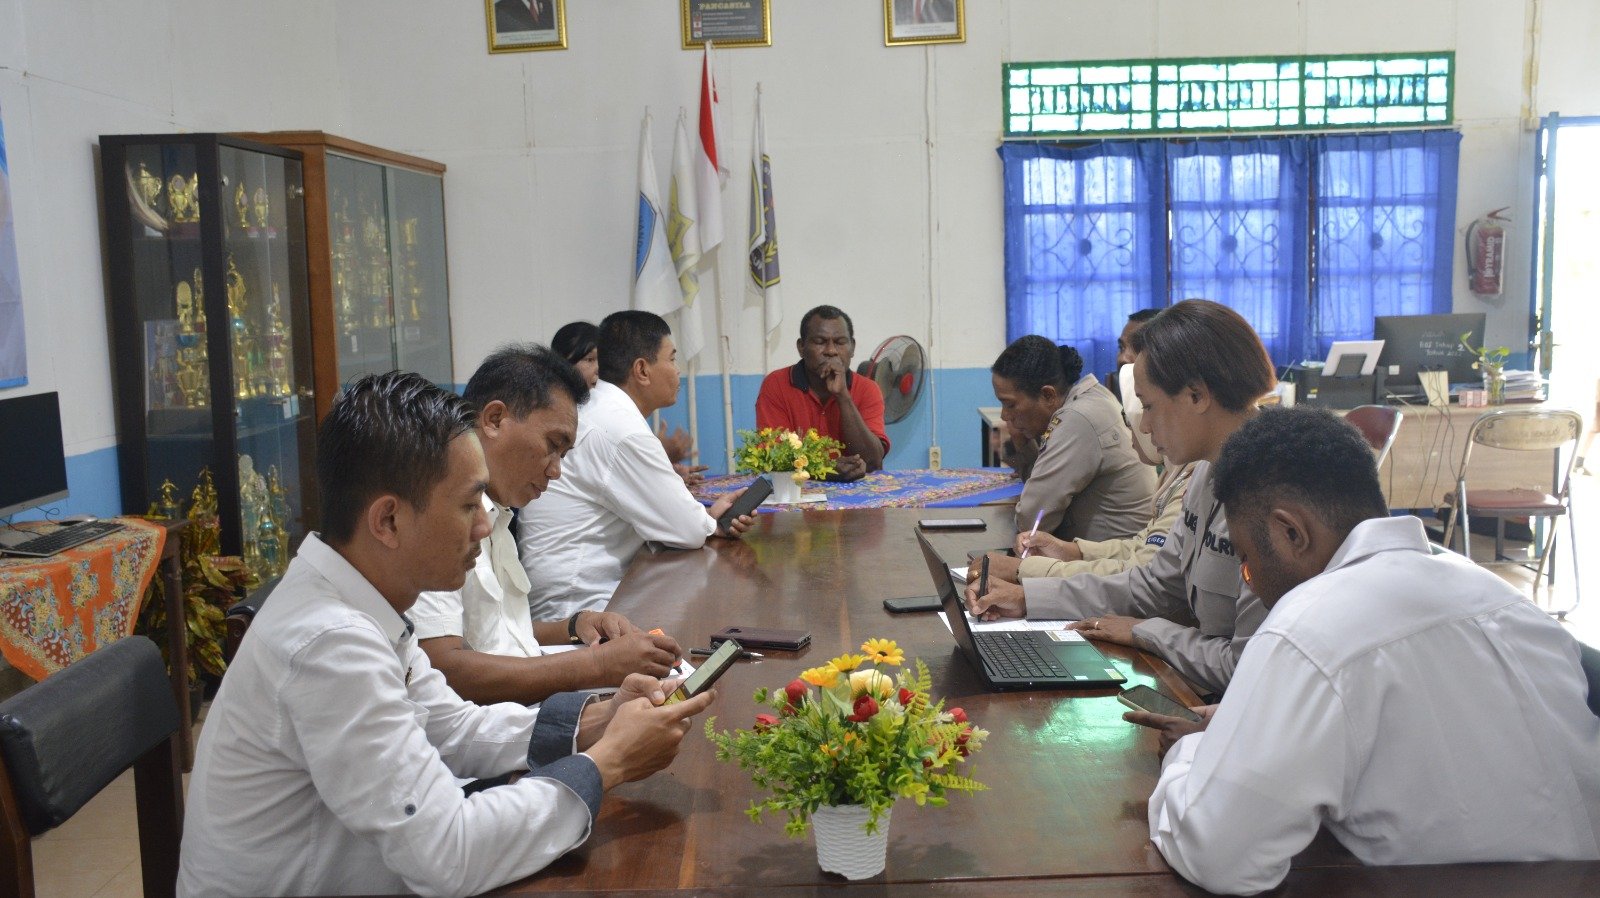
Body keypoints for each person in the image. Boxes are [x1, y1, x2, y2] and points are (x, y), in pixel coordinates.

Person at [178, 372, 714, 898]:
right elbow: (448, 854)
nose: (484, 524)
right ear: (388, 521)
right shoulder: (331, 642)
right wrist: (608, 763)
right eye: (467, 505)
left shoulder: (363, 599)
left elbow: (451, 728)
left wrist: (599, 721)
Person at [1139, 406, 1600, 895]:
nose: (1250, 583)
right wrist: (1254, 723)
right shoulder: (1506, 600)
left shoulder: (1305, 628)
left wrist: (1196, 752)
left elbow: (1220, 854)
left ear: (1291, 532)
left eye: (1248, 563)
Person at [966, 300, 1275, 697]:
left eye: (1149, 406)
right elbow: (1154, 584)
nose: (1143, 426)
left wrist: (1148, 632)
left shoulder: (1269, 494)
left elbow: (1246, 667)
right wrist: (1029, 599)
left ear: (1197, 396)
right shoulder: (1206, 473)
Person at [409, 344, 684, 706]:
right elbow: (443, 668)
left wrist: (575, 626)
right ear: (494, 419)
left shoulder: (499, 513)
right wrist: (595, 666)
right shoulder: (439, 514)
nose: (555, 471)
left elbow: (501, 634)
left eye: (564, 455)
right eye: (552, 445)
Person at [520, 311, 754, 621]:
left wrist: (708, 522)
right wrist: (708, 524)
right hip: (578, 606)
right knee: (725, 601)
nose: (678, 371)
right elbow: (686, 531)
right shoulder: (621, 428)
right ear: (642, 370)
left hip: (582, 593)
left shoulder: (604, 409)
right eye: (672, 359)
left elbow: (678, 520)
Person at [991, 335, 1154, 543]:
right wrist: (1022, 443)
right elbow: (1043, 490)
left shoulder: (1077, 419)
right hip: (1110, 549)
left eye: (1010, 404)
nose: (1005, 416)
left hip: (1112, 557)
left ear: (1048, 395)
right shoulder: (1093, 396)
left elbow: (1031, 523)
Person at [971, 460, 1195, 586]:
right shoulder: (1182, 469)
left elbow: (1141, 575)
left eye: (1148, 406)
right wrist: (1069, 551)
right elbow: (1140, 546)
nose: (1143, 426)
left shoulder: (1192, 477)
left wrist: (1022, 569)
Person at [555, 320, 705, 486]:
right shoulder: (566, 418)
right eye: (589, 359)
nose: (599, 369)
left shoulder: (608, 410)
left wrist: (663, 471)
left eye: (602, 361)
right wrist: (657, 457)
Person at [755, 305, 888, 479]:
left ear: (852, 348)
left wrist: (843, 396)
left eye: (840, 342)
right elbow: (774, 459)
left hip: (857, 491)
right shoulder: (776, 384)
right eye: (820, 342)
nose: (831, 351)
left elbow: (873, 462)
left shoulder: (868, 389)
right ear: (801, 347)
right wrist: (826, 469)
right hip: (798, 491)